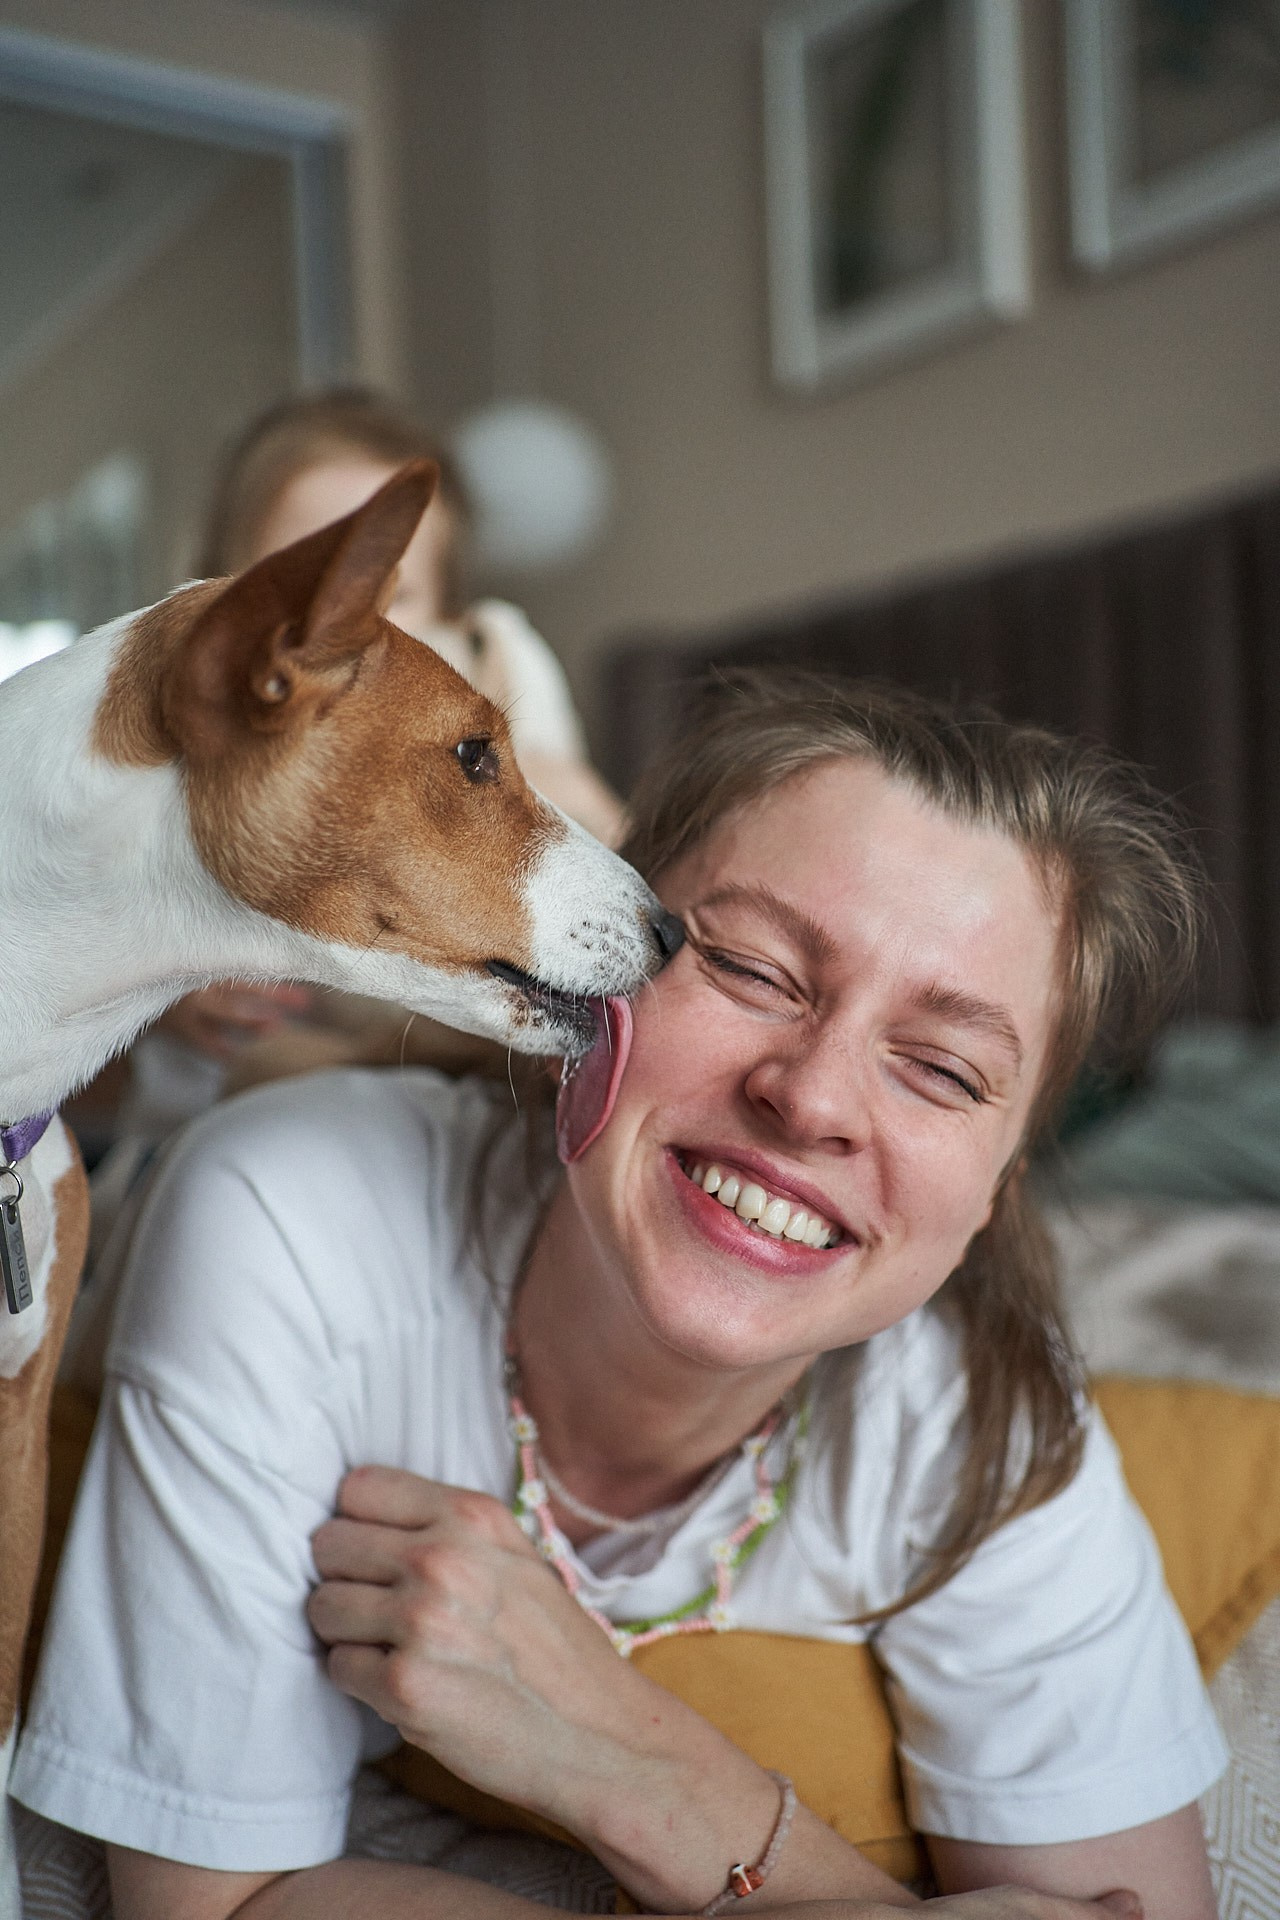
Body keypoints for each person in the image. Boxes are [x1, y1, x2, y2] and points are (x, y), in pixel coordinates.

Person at [14, 674, 1224, 1919]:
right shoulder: (287, 1208)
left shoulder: (984, 1420)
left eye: (939, 1068)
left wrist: (642, 1770)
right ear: (592, 963)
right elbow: (215, 1904)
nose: (808, 1102)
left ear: (996, 1191)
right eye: (752, 969)